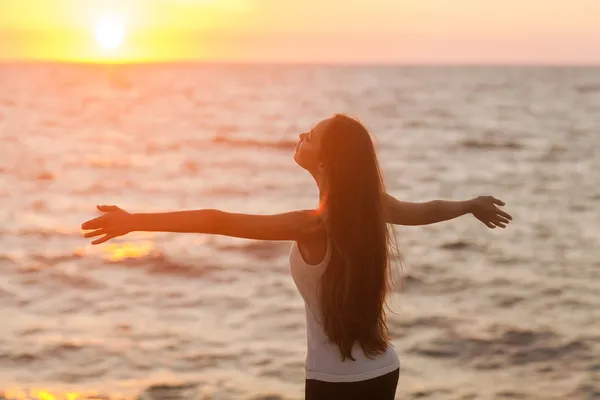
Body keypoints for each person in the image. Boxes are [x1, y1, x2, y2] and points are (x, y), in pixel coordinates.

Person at [81, 113, 512, 400]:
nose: (301, 136)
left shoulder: (312, 224)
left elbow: (218, 220)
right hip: (383, 370)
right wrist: (469, 204)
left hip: (334, 383)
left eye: (311, 135)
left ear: (326, 161)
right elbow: (426, 211)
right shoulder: (371, 206)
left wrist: (136, 220)